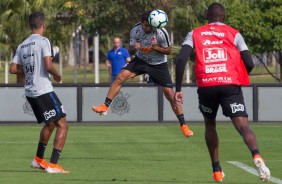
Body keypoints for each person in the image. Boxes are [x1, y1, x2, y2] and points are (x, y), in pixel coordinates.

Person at [174, 2, 270, 182]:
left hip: (207, 86)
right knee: (243, 126)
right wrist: (237, 76)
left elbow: (181, 60)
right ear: (224, 17)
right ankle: (256, 154)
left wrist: (178, 89)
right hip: (229, 84)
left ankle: (216, 170)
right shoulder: (235, 34)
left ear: (207, 18)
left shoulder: (195, 33)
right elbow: (249, 61)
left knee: (210, 125)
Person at [92, 10, 193, 137]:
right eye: (146, 25)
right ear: (141, 23)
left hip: (158, 65)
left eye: (151, 25)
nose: (149, 28)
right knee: (120, 77)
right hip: (141, 60)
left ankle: (183, 125)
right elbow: (130, 49)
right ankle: (105, 106)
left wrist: (157, 48)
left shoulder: (161, 31)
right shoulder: (135, 30)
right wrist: (134, 48)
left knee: (170, 95)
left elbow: (168, 50)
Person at [9, 12, 69, 173]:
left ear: (30, 25)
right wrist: (57, 75)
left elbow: (13, 68)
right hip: (43, 89)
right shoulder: (44, 41)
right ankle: (54, 165)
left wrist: (30, 69)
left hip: (30, 92)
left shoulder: (22, 45)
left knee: (50, 124)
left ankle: (38, 160)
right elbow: (48, 65)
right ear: (44, 25)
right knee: (62, 125)